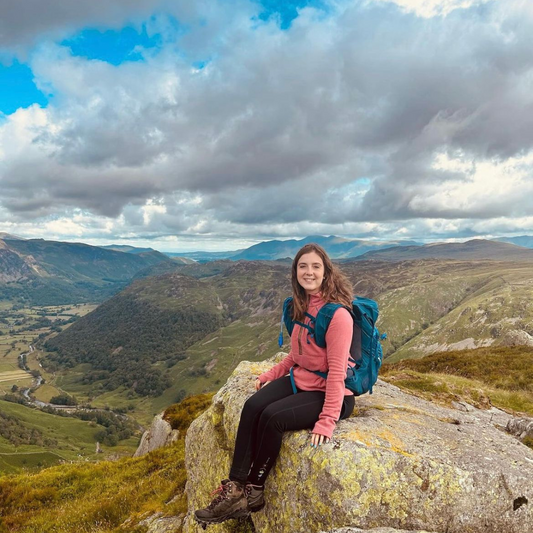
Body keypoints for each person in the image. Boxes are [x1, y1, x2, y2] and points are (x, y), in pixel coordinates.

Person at [194, 243, 355, 526]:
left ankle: (253, 491)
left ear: (326, 272)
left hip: (334, 392)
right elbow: (298, 354)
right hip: (303, 379)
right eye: (303, 266)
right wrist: (272, 374)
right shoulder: (299, 306)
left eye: (316, 266)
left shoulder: (338, 315)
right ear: (295, 272)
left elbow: (338, 371)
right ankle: (234, 487)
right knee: (253, 405)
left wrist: (328, 419)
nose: (309, 272)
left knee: (272, 418)